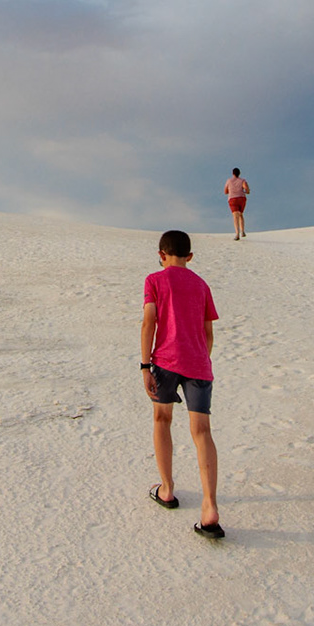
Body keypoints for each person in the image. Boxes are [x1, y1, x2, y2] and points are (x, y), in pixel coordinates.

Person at [140, 229, 224, 537]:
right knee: (202, 431)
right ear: (189, 257)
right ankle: (210, 506)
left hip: (164, 362)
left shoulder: (155, 280)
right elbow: (208, 333)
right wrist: (201, 360)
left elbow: (150, 321)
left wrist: (145, 365)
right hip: (199, 365)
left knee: (162, 419)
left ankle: (167, 489)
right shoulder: (201, 285)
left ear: (161, 255)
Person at [224, 168, 249, 239]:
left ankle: (237, 234)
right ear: (239, 173)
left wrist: (232, 190)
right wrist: (246, 191)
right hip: (241, 198)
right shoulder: (242, 180)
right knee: (240, 214)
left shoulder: (229, 181)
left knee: (235, 216)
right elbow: (246, 189)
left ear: (233, 173)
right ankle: (243, 231)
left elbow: (225, 191)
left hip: (232, 199)